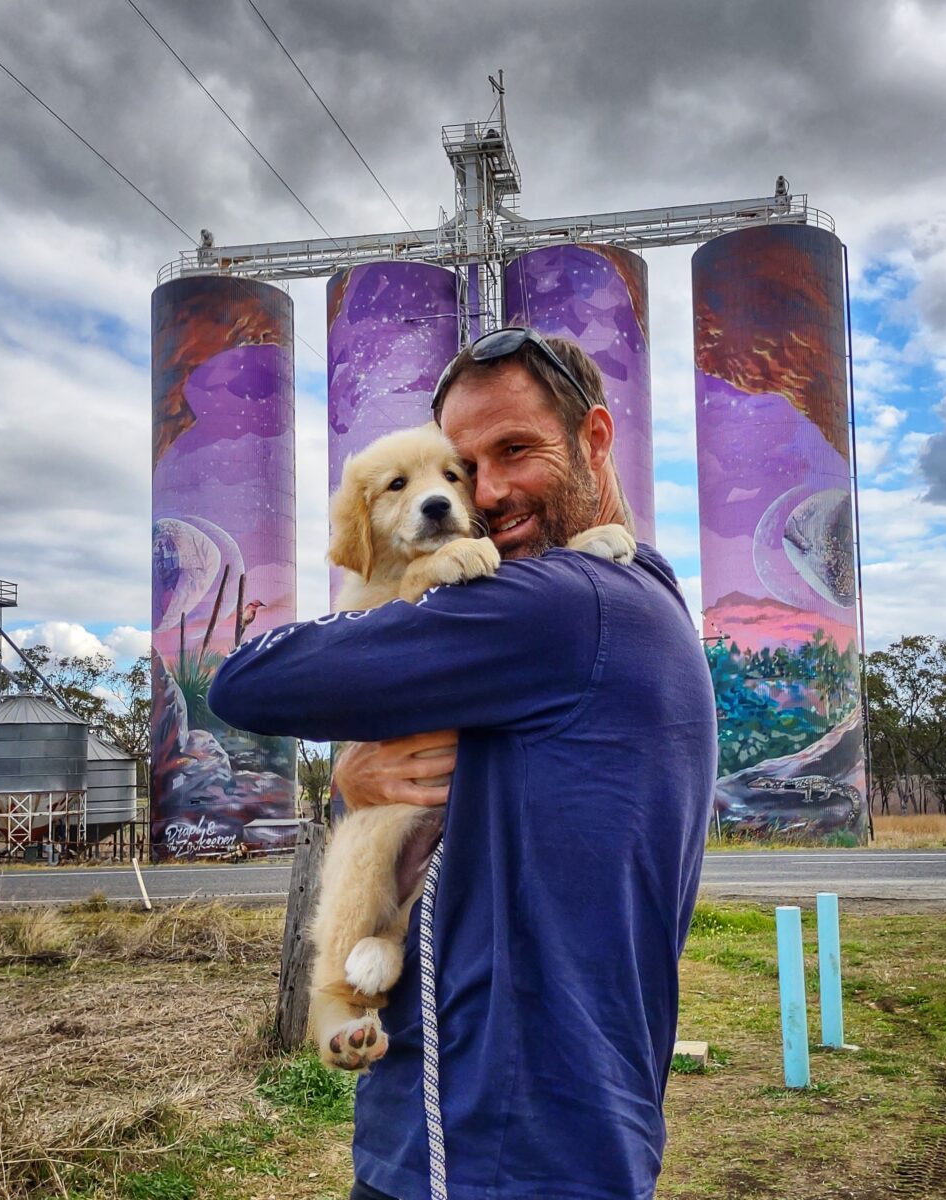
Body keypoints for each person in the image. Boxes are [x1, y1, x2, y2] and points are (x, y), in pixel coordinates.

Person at [208, 328, 717, 1200]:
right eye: (467, 461)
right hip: (541, 1120)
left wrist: (352, 745)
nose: (485, 490)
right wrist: (353, 778)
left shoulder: (559, 604)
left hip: (493, 1143)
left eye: (517, 450)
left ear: (595, 439)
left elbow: (248, 681)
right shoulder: (645, 594)